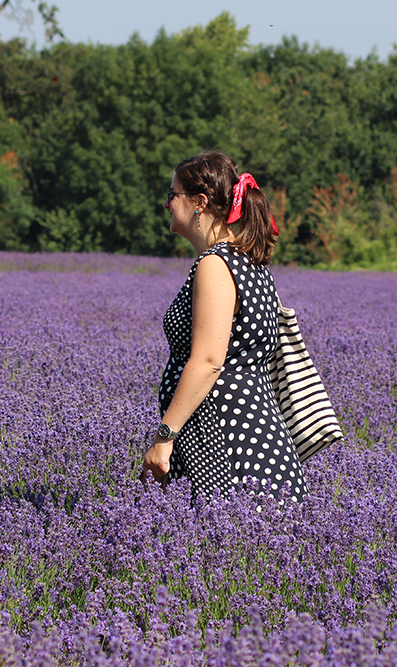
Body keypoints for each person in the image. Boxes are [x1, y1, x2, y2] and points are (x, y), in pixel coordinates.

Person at [141, 149, 308, 502]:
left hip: (224, 441)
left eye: (172, 195)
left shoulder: (215, 264)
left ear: (199, 202)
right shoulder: (250, 262)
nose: (167, 203)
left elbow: (208, 361)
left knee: (226, 545)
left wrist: (164, 437)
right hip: (253, 437)